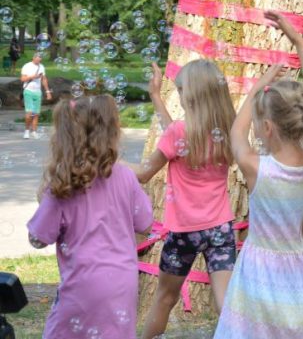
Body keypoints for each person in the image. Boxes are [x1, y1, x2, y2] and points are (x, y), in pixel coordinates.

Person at [214, 11, 303, 339]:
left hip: (263, 284)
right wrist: (299, 41)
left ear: (267, 128)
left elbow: (236, 131)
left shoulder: (258, 170)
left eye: (259, 122)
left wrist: (259, 86)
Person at [27, 94, 154, 339]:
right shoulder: (126, 176)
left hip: (82, 284)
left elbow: (38, 238)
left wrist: (44, 199)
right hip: (122, 283)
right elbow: (145, 224)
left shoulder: (63, 184)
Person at [133, 60, 237, 339]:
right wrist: (156, 97)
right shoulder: (227, 129)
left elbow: (143, 173)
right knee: (226, 303)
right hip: (220, 229)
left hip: (184, 233)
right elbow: (176, 137)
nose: (179, 95)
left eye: (180, 90)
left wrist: (108, 161)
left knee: (165, 299)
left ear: (190, 94)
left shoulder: (180, 132)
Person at [21, 50, 51, 139]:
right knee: (29, 112)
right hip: (28, 91)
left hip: (37, 92)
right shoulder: (27, 66)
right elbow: (22, 79)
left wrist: (48, 92)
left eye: (40, 58)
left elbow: (44, 79)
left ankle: (34, 132)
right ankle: (27, 131)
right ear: (33, 58)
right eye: (38, 57)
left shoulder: (41, 67)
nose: (39, 59)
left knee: (36, 113)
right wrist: (32, 77)